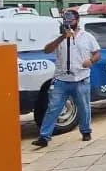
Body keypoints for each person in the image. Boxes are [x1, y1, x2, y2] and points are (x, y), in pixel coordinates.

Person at [32, 9, 101, 147]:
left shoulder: (87, 37)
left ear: (78, 20)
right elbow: (47, 50)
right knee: (53, 108)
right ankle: (44, 137)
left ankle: (86, 131)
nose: (68, 23)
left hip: (81, 78)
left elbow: (97, 53)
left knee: (84, 107)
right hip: (61, 80)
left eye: (71, 20)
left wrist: (91, 61)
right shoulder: (58, 37)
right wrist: (63, 37)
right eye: (65, 20)